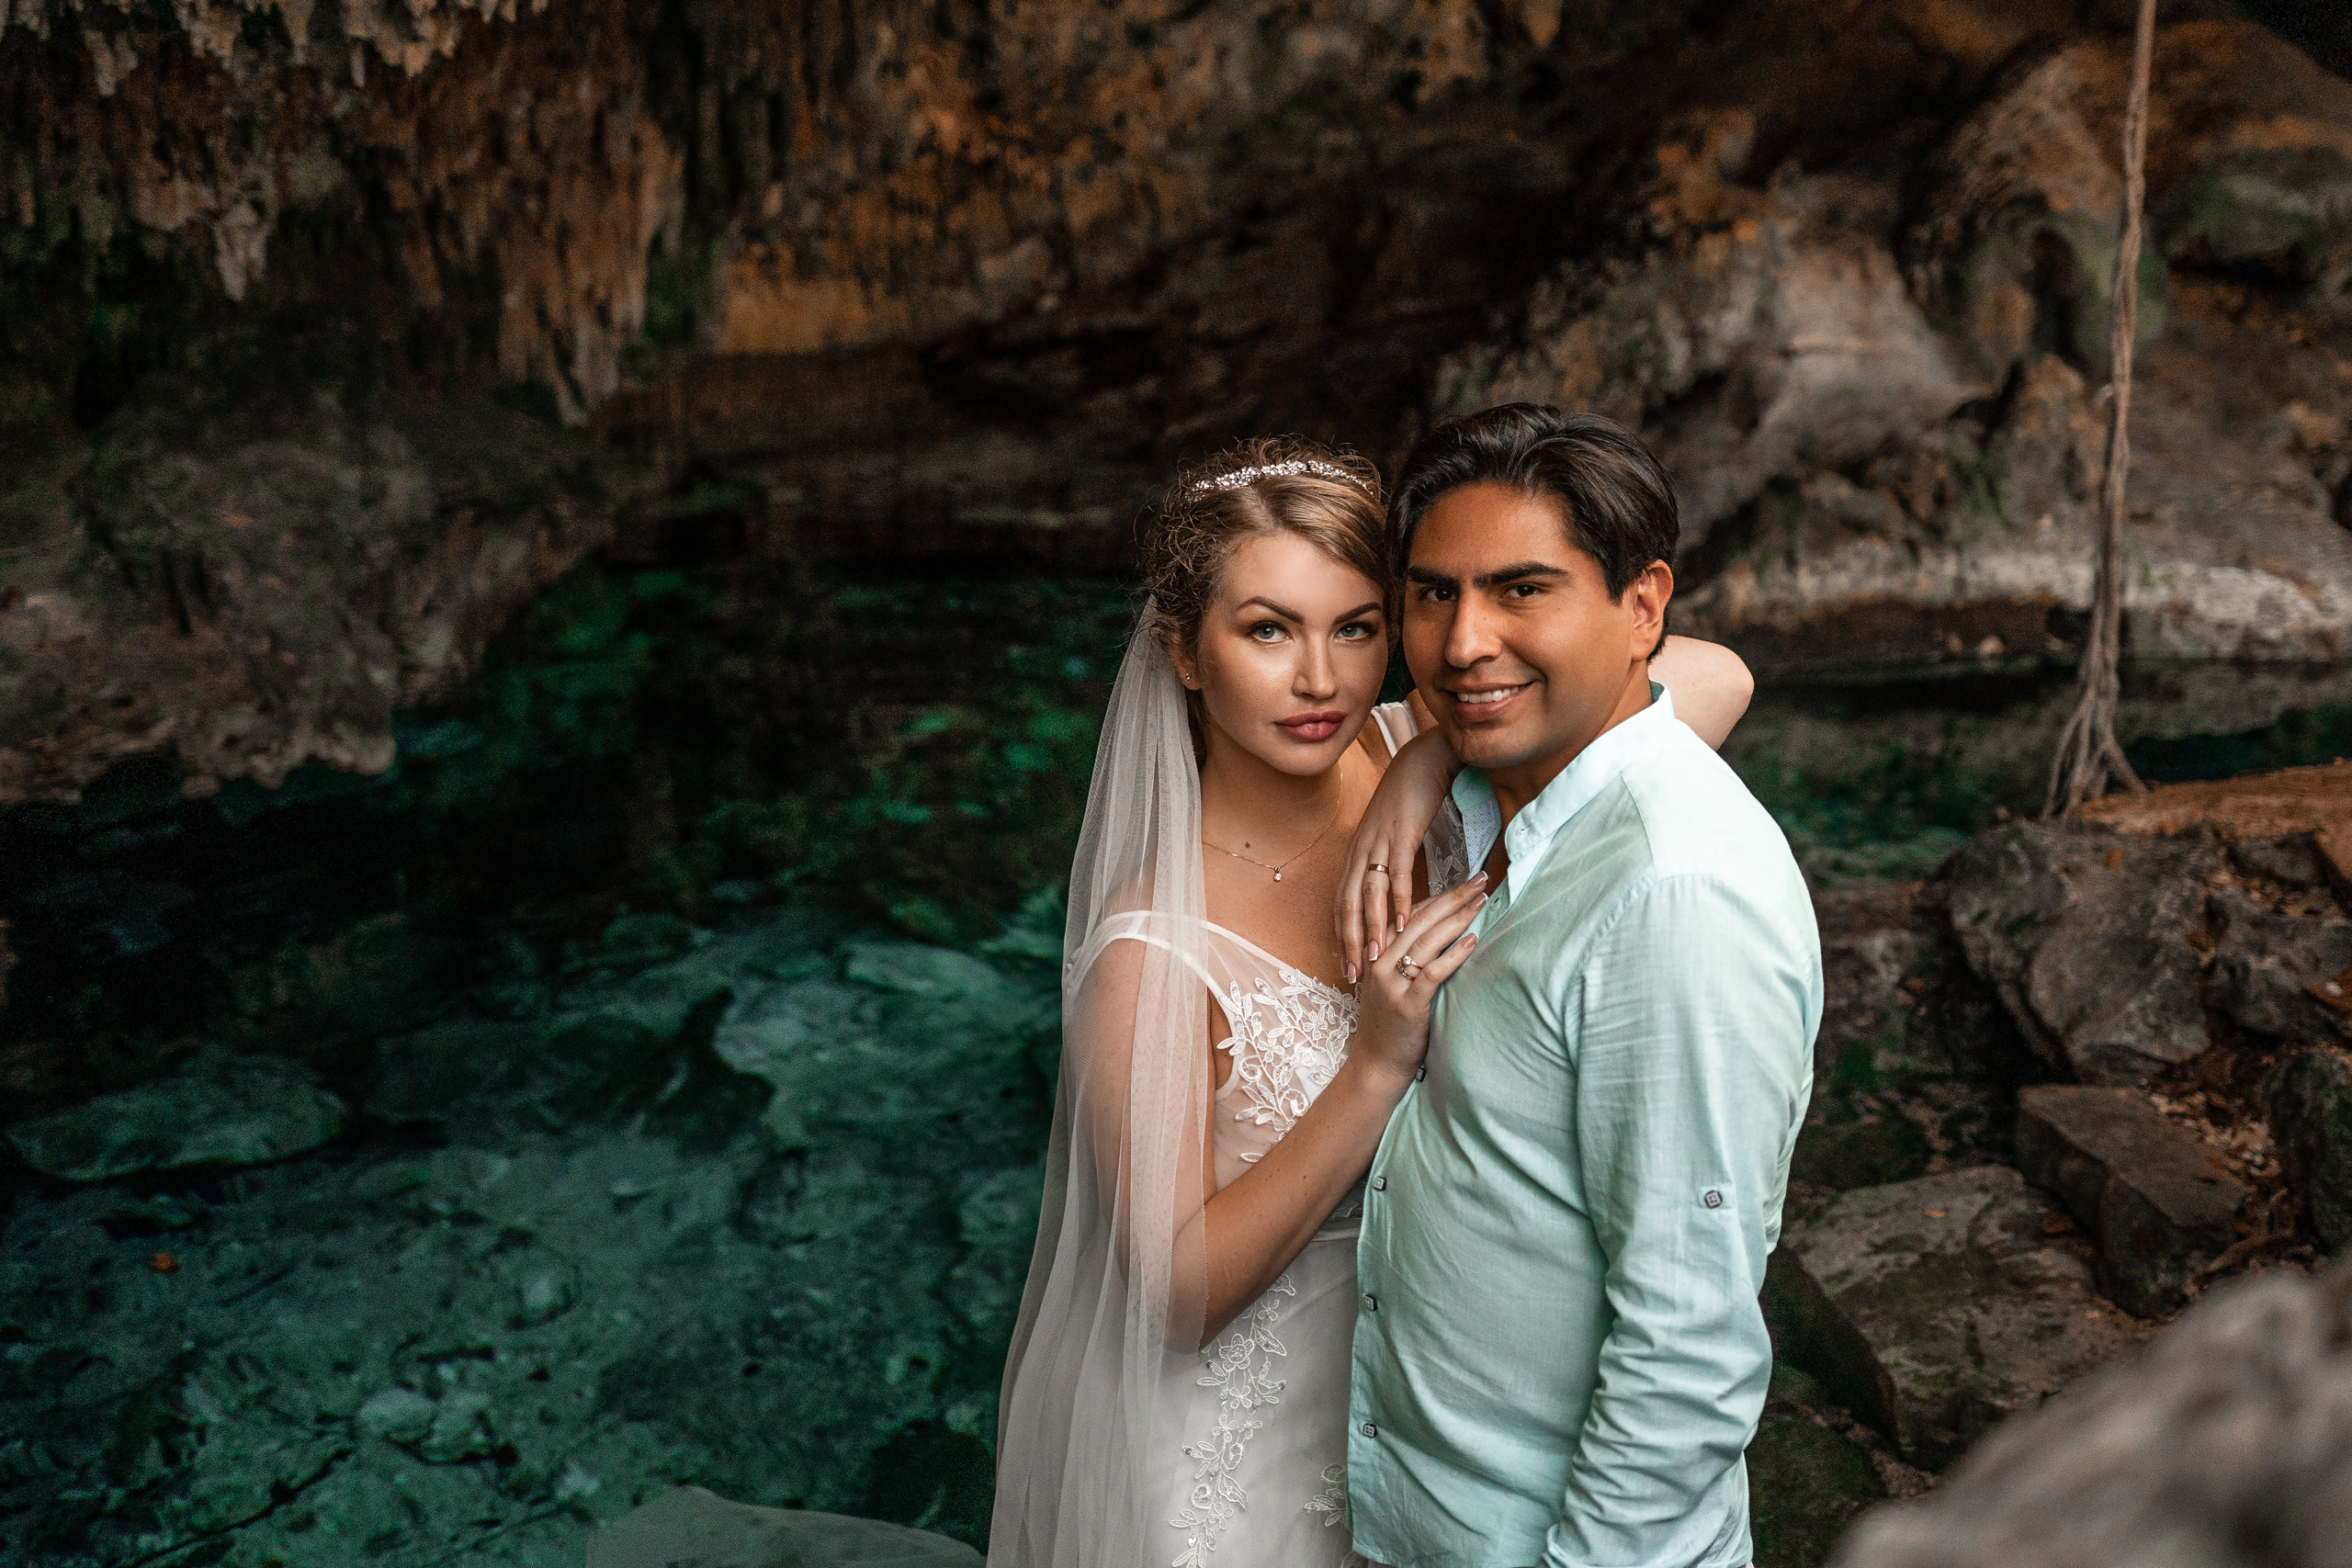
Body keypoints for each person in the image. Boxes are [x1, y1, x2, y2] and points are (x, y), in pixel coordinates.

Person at [986, 434, 1758, 1568]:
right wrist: (1372, 1069)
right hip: (1249, 1458)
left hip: (1439, 1416)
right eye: (1267, 630)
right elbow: (1177, 1296)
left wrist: (1424, 757)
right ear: (1184, 652)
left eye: (1355, 627)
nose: (1321, 681)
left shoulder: (1438, 752)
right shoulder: (1152, 952)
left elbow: (1716, 675)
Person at [1337, 405, 1822, 1568]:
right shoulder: (1499, 808)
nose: (1462, 645)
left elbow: (1688, 1349)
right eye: (1434, 595)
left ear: (1643, 606)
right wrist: (1428, 751)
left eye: (1521, 591)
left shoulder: (1671, 895)